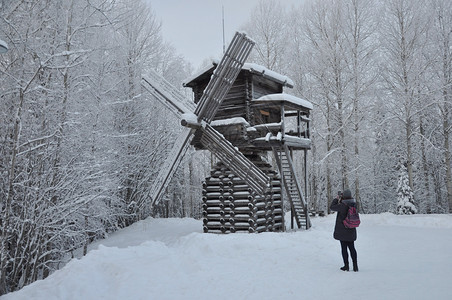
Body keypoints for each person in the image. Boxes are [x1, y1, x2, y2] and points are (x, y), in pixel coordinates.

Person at [330, 188, 358, 272]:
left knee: (344, 248)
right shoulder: (354, 204)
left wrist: (336, 199)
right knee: (352, 248)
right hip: (351, 229)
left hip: (343, 230)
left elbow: (332, 207)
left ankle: (346, 266)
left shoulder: (343, 205)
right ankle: (355, 266)